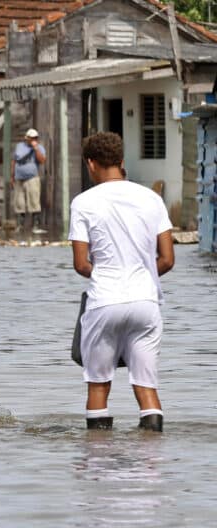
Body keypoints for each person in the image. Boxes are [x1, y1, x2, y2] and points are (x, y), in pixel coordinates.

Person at [69, 132, 175, 432]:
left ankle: (99, 463)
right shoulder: (152, 198)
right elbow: (167, 259)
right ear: (122, 161)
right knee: (147, 388)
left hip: (104, 302)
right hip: (146, 303)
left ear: (91, 164)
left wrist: (108, 273)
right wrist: (139, 272)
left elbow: (80, 264)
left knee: (99, 387)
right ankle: (149, 467)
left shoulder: (83, 202)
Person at [11, 128, 47, 234]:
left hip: (32, 178)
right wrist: (12, 175)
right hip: (19, 178)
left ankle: (35, 226)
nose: (32, 140)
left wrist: (36, 149)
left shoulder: (39, 148)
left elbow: (42, 160)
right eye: (31, 138)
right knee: (19, 202)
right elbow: (14, 160)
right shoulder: (20, 146)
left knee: (34, 201)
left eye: (35, 138)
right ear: (27, 138)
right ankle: (20, 226)